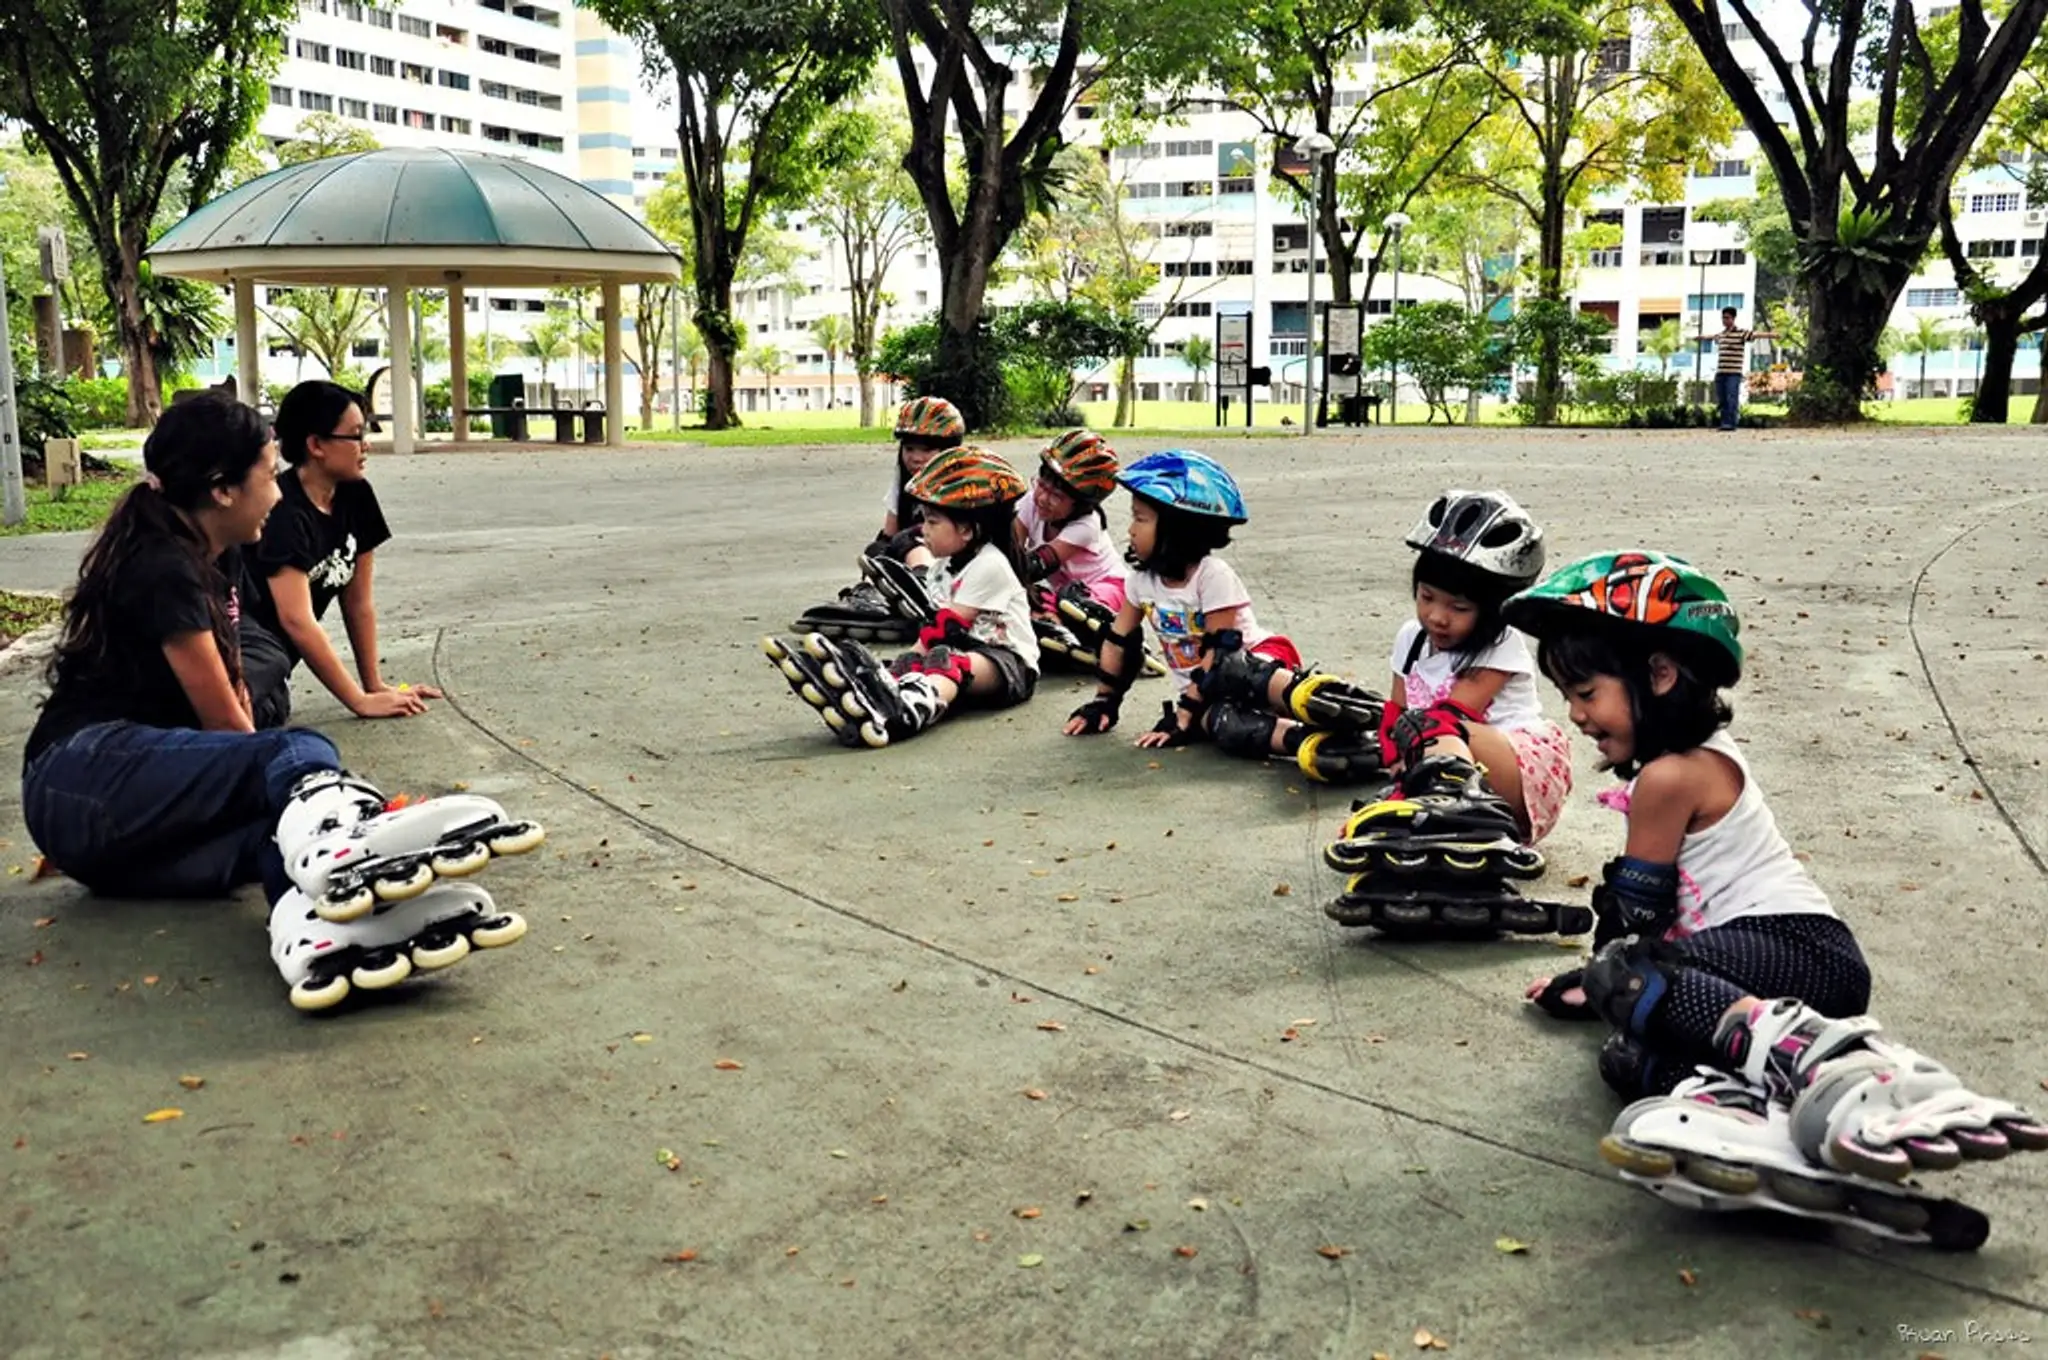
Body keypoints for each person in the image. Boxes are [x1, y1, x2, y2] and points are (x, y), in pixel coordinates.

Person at [1507, 550, 2044, 1242]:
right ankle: (1772, 1124)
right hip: (1784, 971)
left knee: (1626, 976)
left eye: (1585, 693)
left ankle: (1826, 1063)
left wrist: (1598, 978)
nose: (1577, 715)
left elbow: (1633, 928)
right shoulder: (1709, 753)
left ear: (1659, 675)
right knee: (1627, 1059)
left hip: (1795, 948)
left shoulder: (1668, 778)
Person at [19, 394, 544, 1012]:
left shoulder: (220, 558)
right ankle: (349, 832)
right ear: (222, 491)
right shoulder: (163, 567)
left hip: (113, 851)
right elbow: (229, 730)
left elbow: (236, 713)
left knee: (275, 834)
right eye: (269, 476)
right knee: (298, 748)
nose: (277, 492)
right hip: (80, 777)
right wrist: (294, 766)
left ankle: (322, 938)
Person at [1060, 450, 1382, 768]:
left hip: (1260, 662)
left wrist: (1185, 710)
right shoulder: (1139, 583)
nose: (1130, 529)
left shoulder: (1211, 575)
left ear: (1179, 529)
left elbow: (1221, 648)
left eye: (1140, 518)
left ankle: (1319, 698)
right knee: (1222, 724)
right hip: (1206, 689)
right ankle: (1311, 743)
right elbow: (1119, 642)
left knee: (1228, 671)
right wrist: (1104, 701)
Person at [1323, 490, 1570, 860]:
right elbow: (1397, 711)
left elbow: (1452, 716)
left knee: (1433, 726)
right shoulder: (1411, 638)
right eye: (1426, 597)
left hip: (1518, 772)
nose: (1438, 616)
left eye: (1459, 607)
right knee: (1410, 730)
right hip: (1441, 761)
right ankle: (1436, 817)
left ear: (1493, 610)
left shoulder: (1501, 643)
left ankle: (1462, 814)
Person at [764, 445, 1038, 748]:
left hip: (1010, 664)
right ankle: (883, 697)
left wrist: (901, 664)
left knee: (946, 661)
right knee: (928, 659)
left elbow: (947, 626)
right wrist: (901, 666)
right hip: (970, 650)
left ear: (967, 530)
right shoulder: (946, 566)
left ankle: (908, 710)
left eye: (933, 522)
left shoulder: (990, 565)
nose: (924, 530)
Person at [240, 380, 441, 727]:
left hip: (275, 664)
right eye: (356, 435)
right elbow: (296, 619)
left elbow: (357, 602)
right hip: (245, 647)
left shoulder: (356, 495)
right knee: (256, 714)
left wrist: (373, 685)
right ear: (316, 444)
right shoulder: (283, 511)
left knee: (272, 704)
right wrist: (359, 701)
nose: (366, 446)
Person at [792, 396, 967, 640]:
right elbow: (889, 533)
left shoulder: (963, 483)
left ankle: (921, 585)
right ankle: (884, 599)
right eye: (909, 448)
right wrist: (880, 558)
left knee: (912, 535)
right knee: (878, 547)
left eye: (926, 449)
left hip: (956, 566)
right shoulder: (904, 481)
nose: (916, 457)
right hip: (913, 554)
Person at [1016, 429, 1129, 666]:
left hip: (1109, 590)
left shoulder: (1087, 526)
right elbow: (1010, 544)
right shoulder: (1032, 503)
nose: (1043, 498)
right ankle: (1053, 625)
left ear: (1081, 504)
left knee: (1070, 598)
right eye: (1042, 485)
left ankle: (1104, 635)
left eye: (1056, 495)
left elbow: (1039, 563)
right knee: (1038, 597)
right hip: (1063, 598)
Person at [1702, 307, 1775, 432]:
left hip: (1733, 373)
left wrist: (1771, 335)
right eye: (1723, 318)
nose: (1725, 320)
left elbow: (1755, 334)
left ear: (1733, 318)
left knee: (1732, 397)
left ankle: (1731, 423)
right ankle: (1724, 422)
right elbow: (1712, 337)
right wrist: (1701, 337)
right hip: (1721, 372)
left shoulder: (1741, 333)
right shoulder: (1722, 334)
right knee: (1722, 399)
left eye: (1727, 318)